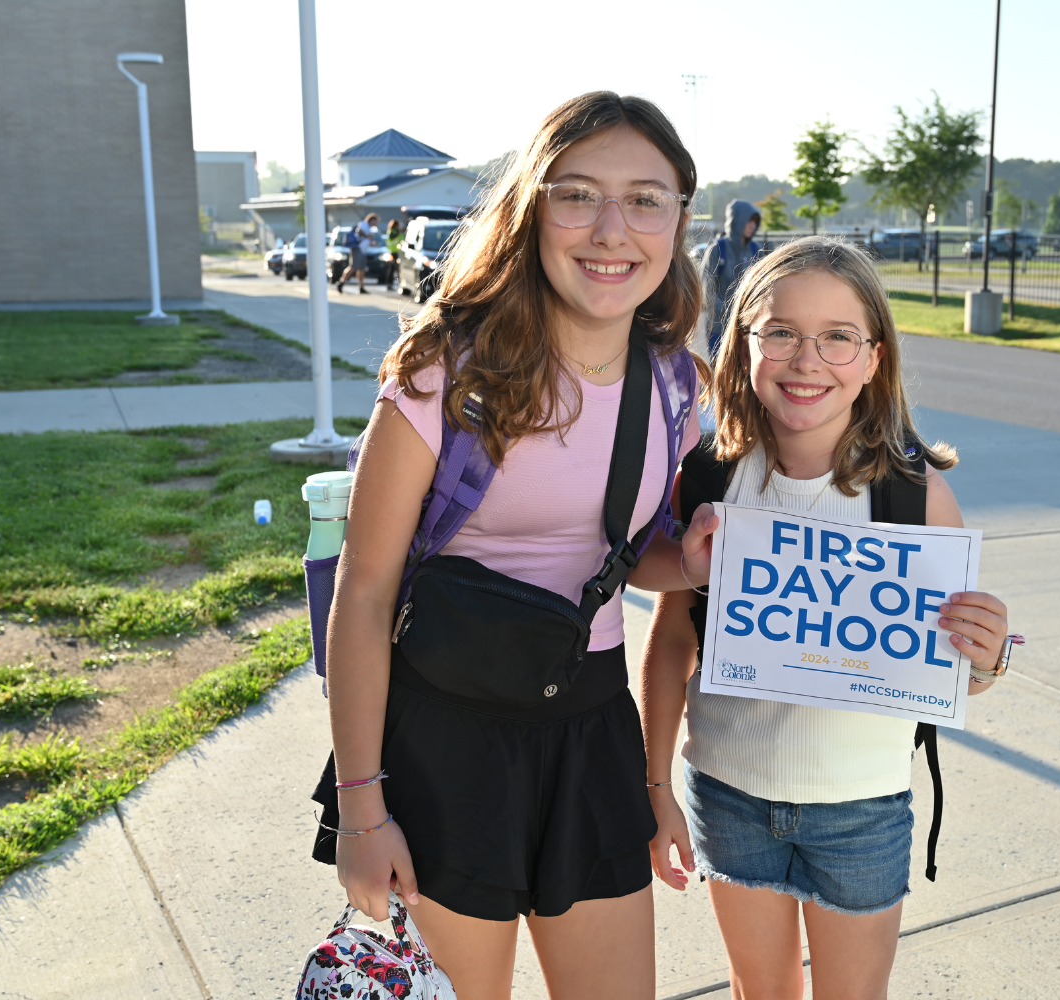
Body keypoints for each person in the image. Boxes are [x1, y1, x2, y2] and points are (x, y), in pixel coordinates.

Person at [313, 92, 713, 1000]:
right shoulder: (442, 371)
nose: (612, 229)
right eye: (578, 195)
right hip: (443, 739)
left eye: (645, 199)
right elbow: (366, 593)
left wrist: (683, 563)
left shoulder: (682, 386)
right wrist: (362, 807)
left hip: (593, 729)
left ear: (678, 219)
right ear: (532, 209)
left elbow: (630, 554)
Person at [643, 237, 1012, 1000]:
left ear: (875, 358)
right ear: (744, 345)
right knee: (759, 991)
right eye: (780, 332)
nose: (807, 360)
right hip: (727, 790)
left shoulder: (913, 498)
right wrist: (653, 784)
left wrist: (988, 655)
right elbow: (676, 633)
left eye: (838, 337)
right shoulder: (710, 478)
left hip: (861, 808)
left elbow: (948, 673)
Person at [699, 198, 763, 361]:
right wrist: (728, 311)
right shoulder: (718, 250)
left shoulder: (755, 250)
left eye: (755, 222)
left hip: (747, 325)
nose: (752, 226)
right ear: (737, 221)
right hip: (719, 326)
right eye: (748, 221)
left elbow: (761, 287)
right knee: (720, 367)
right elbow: (707, 288)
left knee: (744, 371)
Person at [339, 212, 381, 294]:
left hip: (362, 250)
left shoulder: (368, 227)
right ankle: (341, 282)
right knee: (353, 267)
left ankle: (361, 287)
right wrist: (368, 236)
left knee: (361, 269)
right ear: (371, 220)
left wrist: (372, 243)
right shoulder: (364, 224)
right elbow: (359, 231)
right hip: (357, 249)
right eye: (375, 221)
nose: (376, 223)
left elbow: (363, 240)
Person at [385, 217, 404, 291]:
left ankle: (399, 283)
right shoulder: (392, 232)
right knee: (392, 269)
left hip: (399, 252)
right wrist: (400, 231)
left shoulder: (398, 232)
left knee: (398, 269)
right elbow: (392, 237)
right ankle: (389, 283)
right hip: (393, 252)